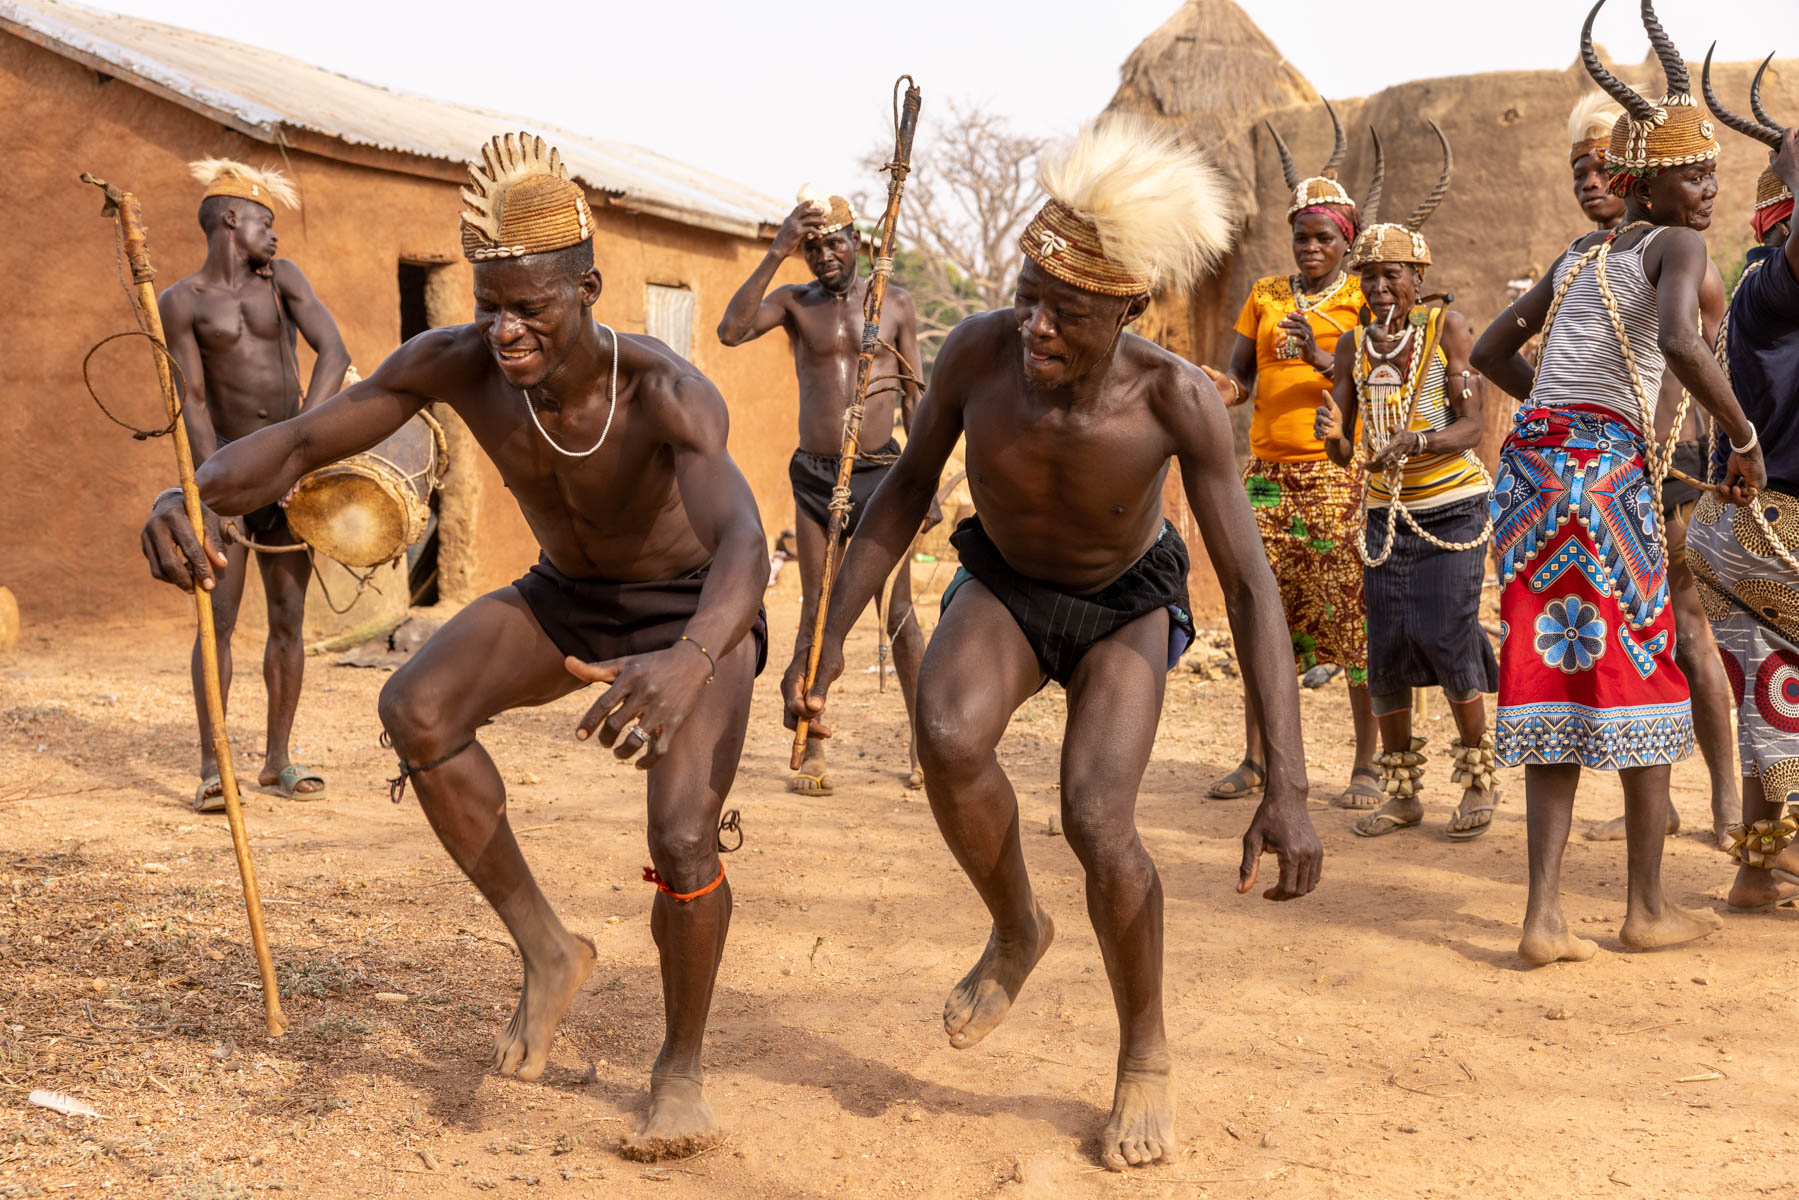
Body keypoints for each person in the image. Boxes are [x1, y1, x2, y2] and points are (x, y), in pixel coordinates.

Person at [140, 134, 769, 1158]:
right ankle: (546, 947)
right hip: (568, 597)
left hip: (692, 612)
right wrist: (188, 493)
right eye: (489, 305)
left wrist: (692, 658)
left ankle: (679, 1068)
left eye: (533, 307)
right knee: (416, 707)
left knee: (682, 837)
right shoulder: (455, 363)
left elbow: (744, 539)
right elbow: (304, 441)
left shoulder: (663, 389)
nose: (505, 329)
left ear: (588, 289)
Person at [783, 116, 1323, 1172]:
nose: (1033, 325)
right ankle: (1016, 926)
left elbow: (1254, 591)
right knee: (943, 732)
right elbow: (897, 496)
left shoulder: (1173, 400)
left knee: (1095, 818)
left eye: (1063, 312)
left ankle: (1143, 1053)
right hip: (1004, 583)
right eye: (1026, 295)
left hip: (1123, 605)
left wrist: (1288, 785)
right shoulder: (977, 353)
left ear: (1125, 311)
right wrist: (826, 632)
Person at [1471, 0, 1763, 965]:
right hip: (1602, 477)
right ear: (1650, 182)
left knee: (1553, 671)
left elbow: (1490, 350)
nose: (1710, 188)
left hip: (1532, 475)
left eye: (1715, 171)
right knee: (1646, 671)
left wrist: (1556, 414)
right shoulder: (1671, 247)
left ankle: (1542, 919)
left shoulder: (1579, 252)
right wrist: (1740, 434)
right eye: (1694, 173)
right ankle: (1643, 909)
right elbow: (1681, 339)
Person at [1313, 123, 1501, 840]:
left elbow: (1470, 428)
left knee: (1448, 631)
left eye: (1392, 273)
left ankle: (1477, 779)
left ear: (1416, 277)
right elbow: (1346, 447)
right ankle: (1401, 792)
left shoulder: (1445, 328)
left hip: (1450, 509)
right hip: (1382, 516)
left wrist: (1413, 441)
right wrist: (1336, 443)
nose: (1379, 285)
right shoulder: (1350, 344)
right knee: (1385, 646)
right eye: (1368, 275)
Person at [1567, 86, 1741, 844]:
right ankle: (1658, 801)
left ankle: (1727, 804)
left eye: (1603, 167)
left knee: (1686, 633)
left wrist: (1734, 440)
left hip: (1662, 469)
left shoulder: (1674, 251)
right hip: (1601, 471)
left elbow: (1684, 351)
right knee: (1636, 639)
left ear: (1633, 174)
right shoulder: (1593, 260)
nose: (1590, 182)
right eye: (1578, 170)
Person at [717, 187, 929, 794]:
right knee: (816, 606)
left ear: (858, 242)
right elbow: (730, 331)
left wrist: (925, 481)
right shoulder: (794, 302)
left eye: (833, 243)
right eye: (811, 247)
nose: (824, 256)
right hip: (815, 478)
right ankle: (809, 743)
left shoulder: (894, 305)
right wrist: (777, 249)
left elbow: (916, 398)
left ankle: (923, 745)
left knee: (900, 614)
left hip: (884, 476)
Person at [154, 159, 350, 810]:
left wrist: (302, 454)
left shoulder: (282, 281)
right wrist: (213, 492)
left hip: (292, 477)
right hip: (230, 478)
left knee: (289, 622)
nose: (276, 236)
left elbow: (335, 353)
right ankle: (215, 769)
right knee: (219, 621)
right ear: (232, 219)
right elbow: (193, 401)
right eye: (267, 222)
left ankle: (278, 761)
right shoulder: (178, 302)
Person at [1201, 103, 1379, 809]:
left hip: (1337, 473)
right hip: (1267, 480)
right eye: (1299, 238)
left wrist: (1321, 351)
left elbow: (1376, 369)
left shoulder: (1366, 297)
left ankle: (1366, 763)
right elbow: (1238, 379)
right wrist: (1211, 386)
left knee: (1351, 615)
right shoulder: (1265, 295)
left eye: (1319, 239)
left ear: (1343, 243)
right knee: (1259, 610)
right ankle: (1257, 757)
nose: (1306, 249)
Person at [1690, 58, 1799, 911]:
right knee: (1779, 705)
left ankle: (1760, 866)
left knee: (1780, 704)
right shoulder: (1767, 291)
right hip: (1773, 529)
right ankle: (1755, 870)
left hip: (1764, 525)